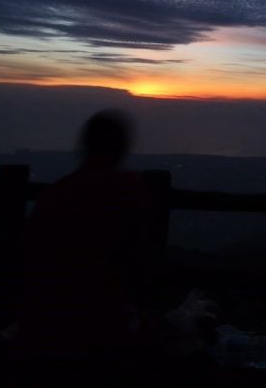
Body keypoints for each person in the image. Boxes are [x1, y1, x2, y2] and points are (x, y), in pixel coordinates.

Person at [16, 109, 217, 360]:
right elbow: (137, 261)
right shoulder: (127, 189)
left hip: (41, 324)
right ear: (120, 147)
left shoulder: (55, 194)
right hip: (100, 327)